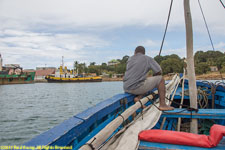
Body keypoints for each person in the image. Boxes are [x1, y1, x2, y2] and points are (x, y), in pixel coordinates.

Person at [123, 46, 174, 111]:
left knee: (144, 81)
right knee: (160, 79)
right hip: (136, 88)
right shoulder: (147, 58)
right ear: (144, 53)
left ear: (135, 52)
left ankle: (138, 98)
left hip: (126, 88)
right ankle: (163, 105)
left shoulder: (129, 59)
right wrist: (155, 75)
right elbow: (159, 72)